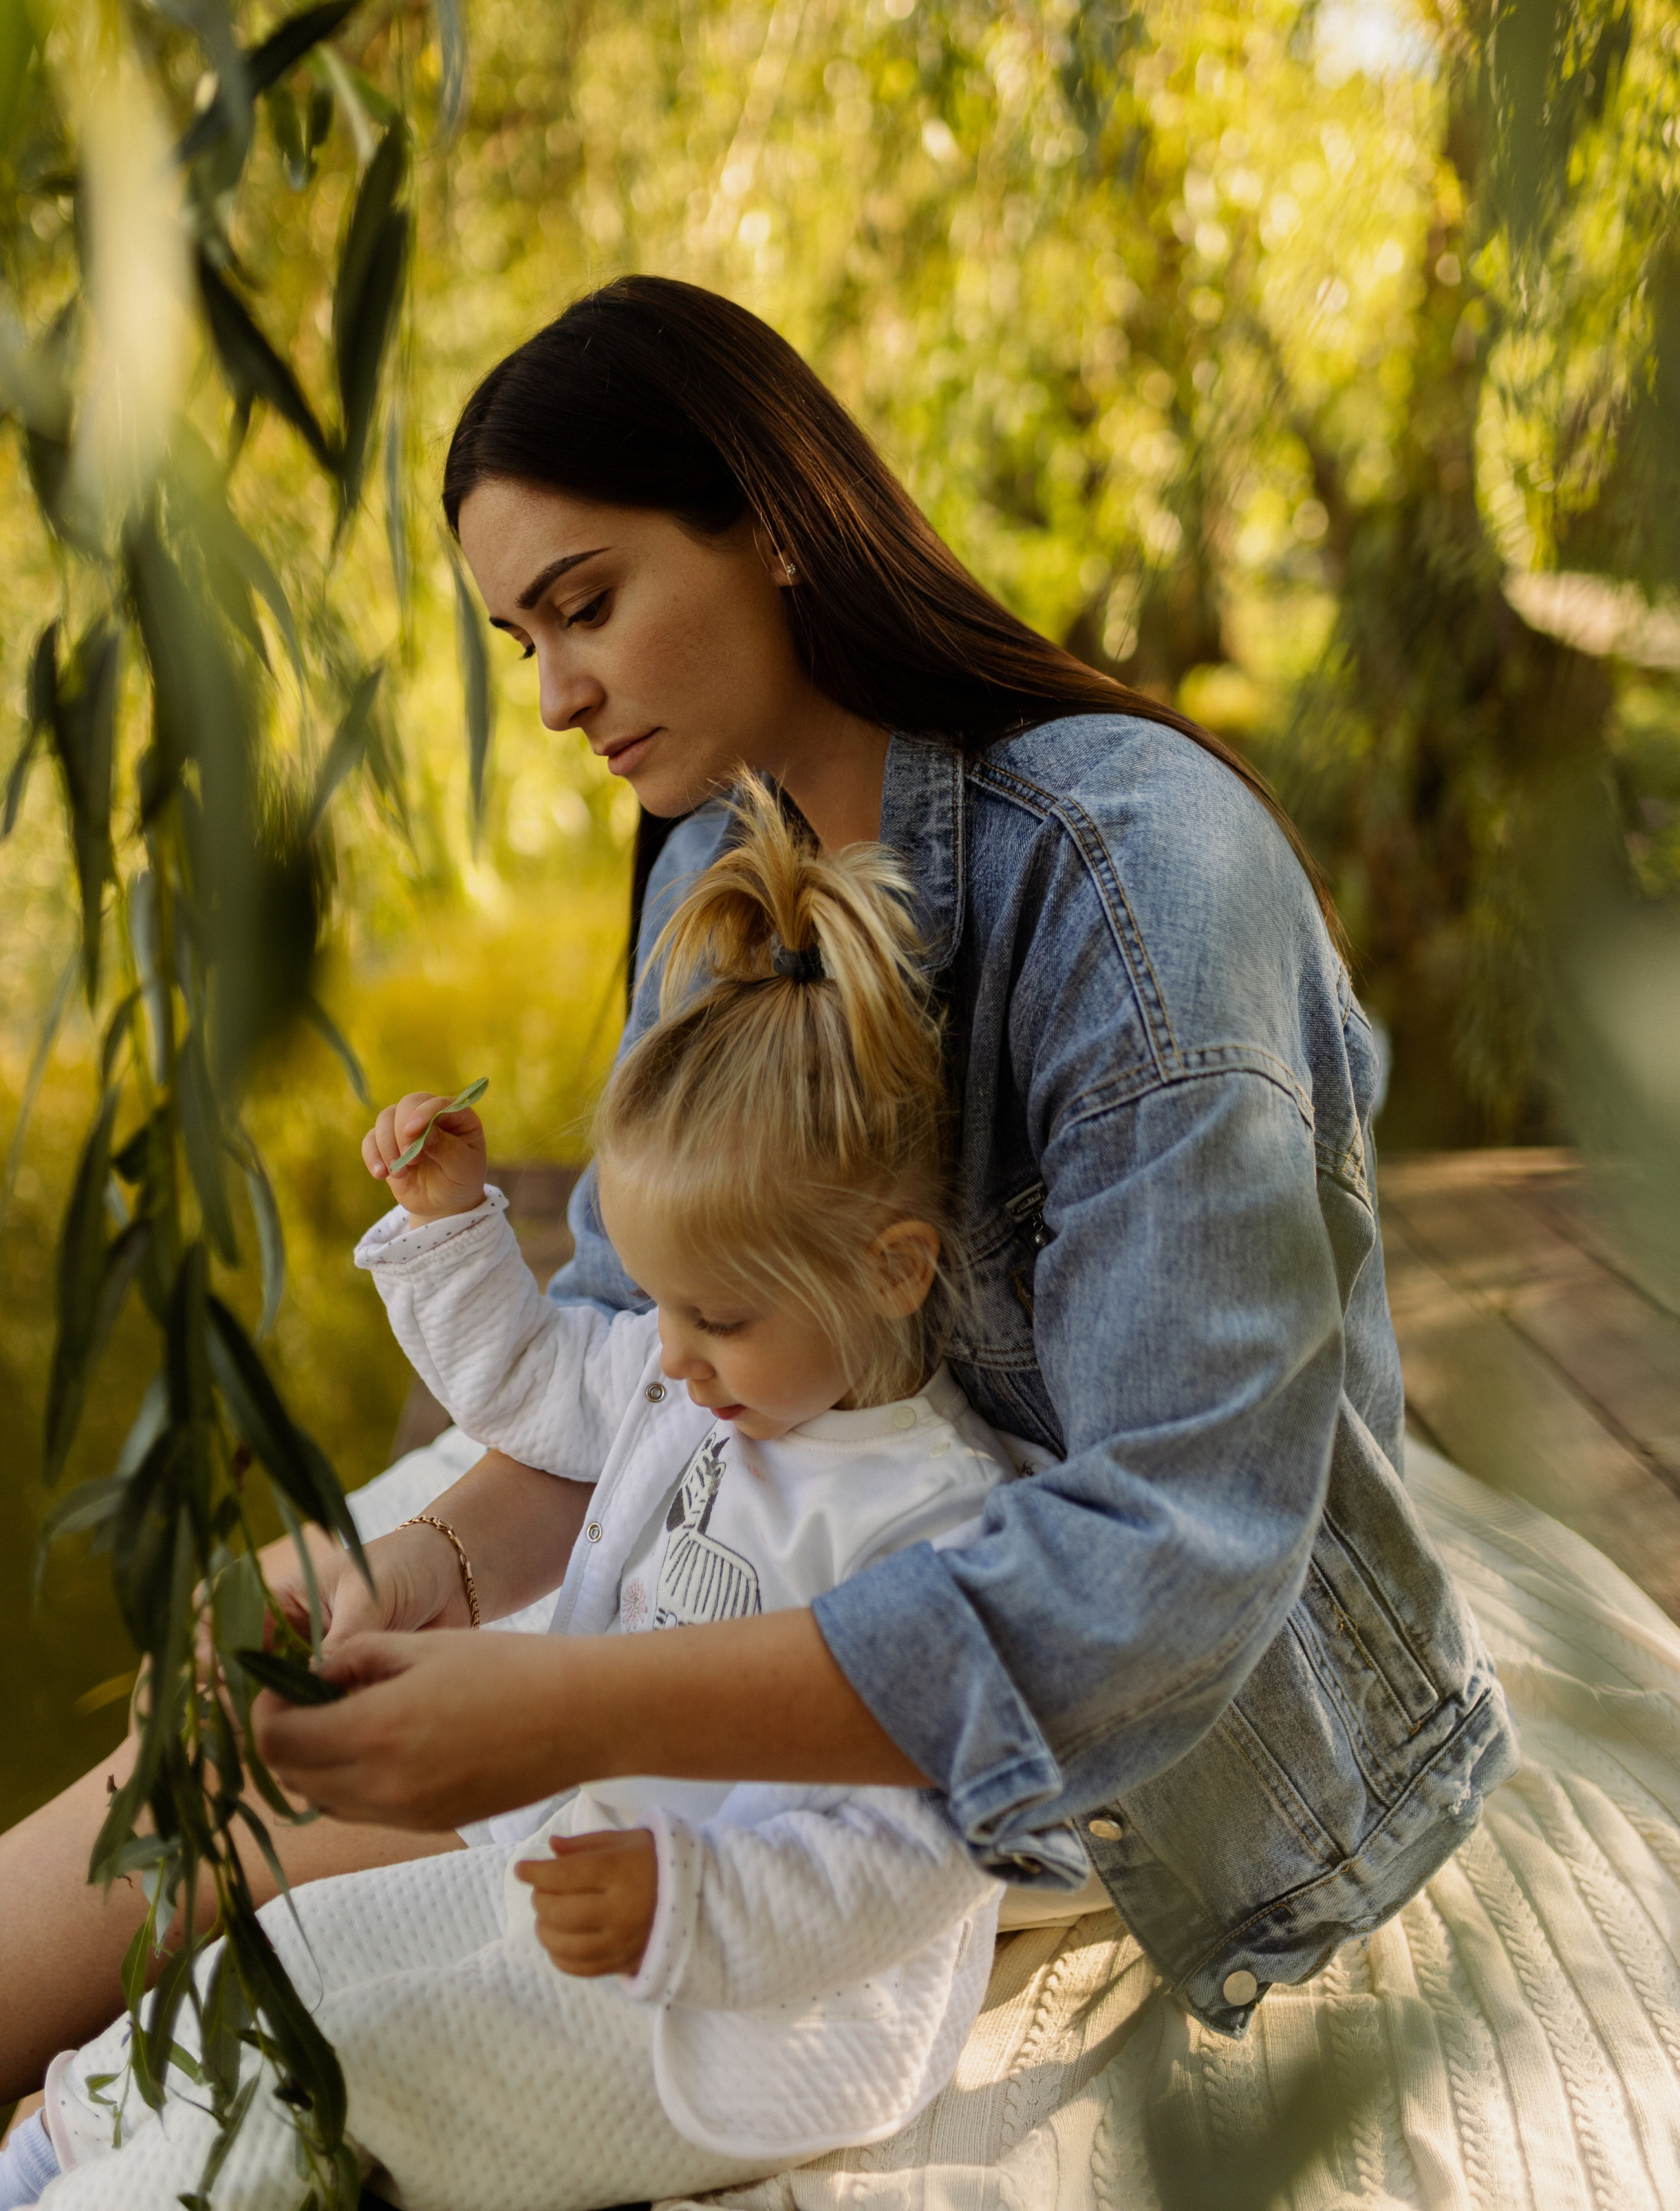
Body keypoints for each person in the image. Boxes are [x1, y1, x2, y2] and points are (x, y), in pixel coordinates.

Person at [0, 273, 1515, 2123]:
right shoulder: (718, 844)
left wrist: (570, 1713)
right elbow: (645, 1345)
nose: (556, 694)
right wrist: (411, 1575)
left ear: (777, 525)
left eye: (587, 607)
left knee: (283, 1844)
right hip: (788, 1514)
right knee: (209, 1725)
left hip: (1113, 1749)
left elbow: (1168, 1570)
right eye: (517, 639)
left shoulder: (1142, 881)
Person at [4, 785, 1060, 2208]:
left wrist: (683, 1907)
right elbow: (533, 1377)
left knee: (358, 2048)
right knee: (298, 1951)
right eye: (660, 1303)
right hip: (564, 1870)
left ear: (892, 1270)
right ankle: (54, 2147)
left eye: (720, 1318)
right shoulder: (694, 1381)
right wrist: (454, 1228)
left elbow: (915, 1859)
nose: (669, 1358)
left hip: (732, 1994)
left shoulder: (935, 1525)